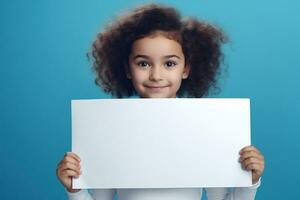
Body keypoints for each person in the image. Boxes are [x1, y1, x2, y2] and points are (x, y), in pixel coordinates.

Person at [56, 3, 265, 200]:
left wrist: (249, 182)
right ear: (128, 69)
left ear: (186, 69)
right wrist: (75, 190)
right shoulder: (111, 130)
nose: (156, 75)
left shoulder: (205, 128)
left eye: (170, 63)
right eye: (144, 63)